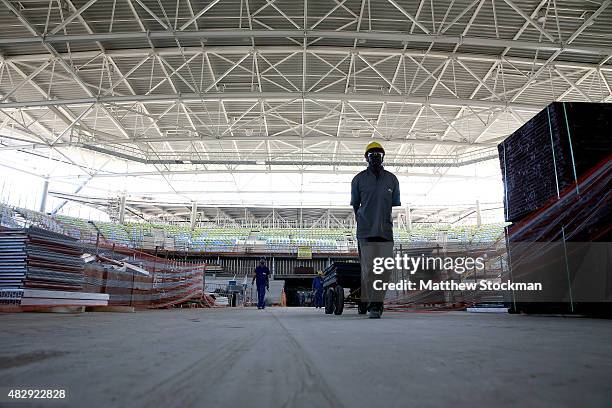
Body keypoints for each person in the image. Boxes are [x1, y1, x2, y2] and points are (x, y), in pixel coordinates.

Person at [351, 142, 401, 318]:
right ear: (366, 158)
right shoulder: (358, 180)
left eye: (378, 154)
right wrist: (364, 220)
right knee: (370, 269)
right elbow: (355, 205)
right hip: (365, 232)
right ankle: (374, 305)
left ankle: (375, 302)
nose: (375, 157)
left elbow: (392, 204)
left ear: (383, 157)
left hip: (385, 231)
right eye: (371, 154)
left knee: (384, 269)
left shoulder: (392, 180)